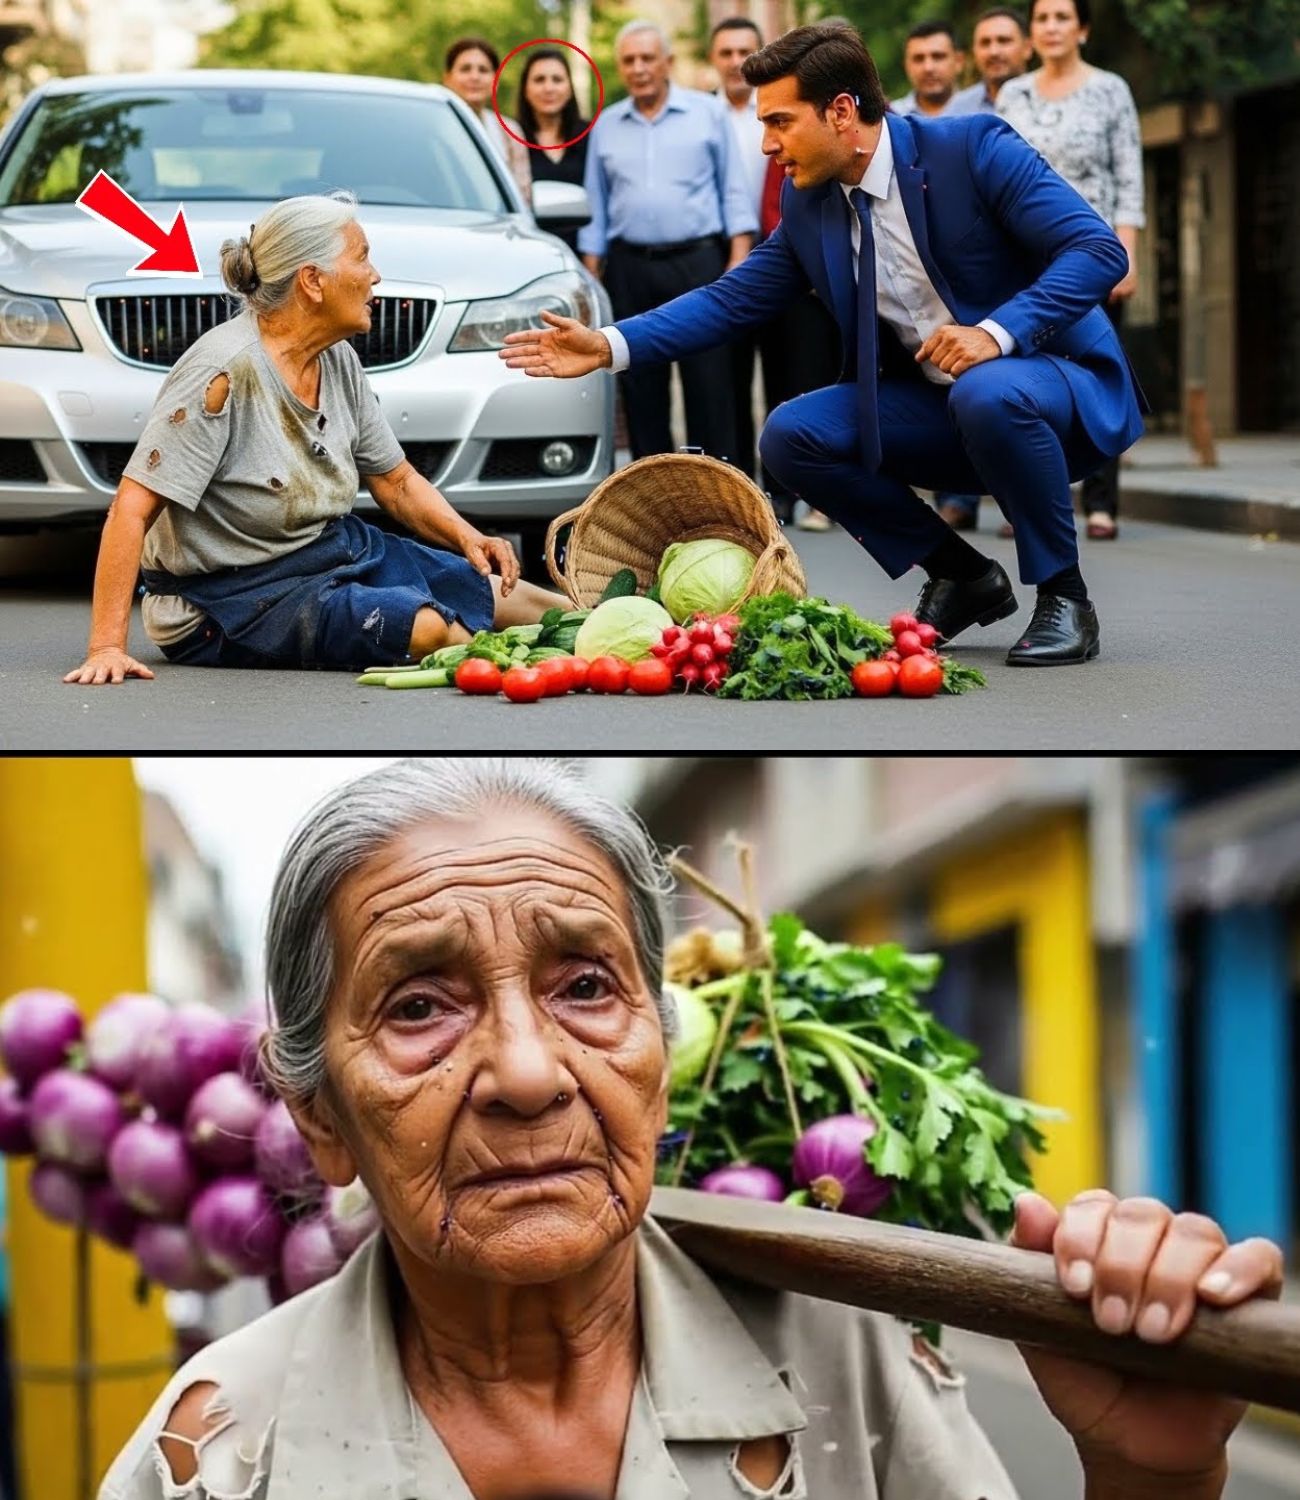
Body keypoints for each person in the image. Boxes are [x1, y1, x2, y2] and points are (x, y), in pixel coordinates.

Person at [97, 757, 1285, 1500]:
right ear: (322, 1121)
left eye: (584, 989)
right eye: (419, 1006)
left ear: (659, 1064)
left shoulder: (844, 1357)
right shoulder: (216, 1459)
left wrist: (1149, 1475)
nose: (525, 1073)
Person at [502, 23, 1151, 667]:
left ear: (842, 112)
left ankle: (1065, 596)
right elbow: (732, 299)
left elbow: (1097, 250)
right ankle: (962, 576)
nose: (767, 145)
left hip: (1054, 385)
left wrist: (995, 332)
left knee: (987, 388)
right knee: (791, 435)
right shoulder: (810, 203)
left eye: (780, 122)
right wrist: (608, 344)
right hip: (944, 408)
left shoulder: (972, 148)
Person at [64, 193, 566, 685]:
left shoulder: (337, 358)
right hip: (225, 596)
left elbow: (396, 482)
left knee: (519, 600)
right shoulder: (222, 372)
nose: (375, 276)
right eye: (363, 257)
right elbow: (130, 510)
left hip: (331, 551)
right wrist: (106, 646)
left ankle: (623, 632)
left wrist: (468, 538)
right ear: (313, 281)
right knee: (433, 629)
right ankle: (548, 671)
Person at [578, 20, 758, 464]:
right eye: (629, 61)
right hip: (630, 267)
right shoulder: (606, 125)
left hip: (699, 264)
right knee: (641, 389)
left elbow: (733, 191)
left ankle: (722, 499)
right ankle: (652, 501)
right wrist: (590, 278)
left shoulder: (707, 114)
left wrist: (737, 261)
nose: (638, 69)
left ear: (668, 63)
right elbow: (596, 210)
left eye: (647, 58)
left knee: (710, 388)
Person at [998, 0, 1145, 540]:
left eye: (1063, 17)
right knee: (1031, 378)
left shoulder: (1110, 90)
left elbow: (1128, 174)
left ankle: (1102, 502)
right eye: (1042, 19)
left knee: (1100, 376)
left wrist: (1126, 250)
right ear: (1031, 32)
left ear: (1082, 28)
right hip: (1027, 262)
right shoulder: (1013, 95)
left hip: (1093, 254)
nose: (1052, 27)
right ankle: (1038, 500)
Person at [933, 7, 1036, 533]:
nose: (995, 50)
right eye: (985, 42)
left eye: (1005, 40)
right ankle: (960, 497)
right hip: (978, 256)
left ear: (1026, 46)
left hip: (1040, 249)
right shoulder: (961, 112)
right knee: (965, 371)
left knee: (1030, 377)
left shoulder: (1045, 98)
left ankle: (1028, 500)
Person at [444, 36, 533, 207]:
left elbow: (523, 197)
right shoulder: (431, 129)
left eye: (483, 70)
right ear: (448, 78)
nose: (475, 77)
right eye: (465, 69)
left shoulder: (509, 131)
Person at [517, 48, 591, 253]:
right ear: (525, 88)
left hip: (584, 254)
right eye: (539, 80)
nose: (548, 88)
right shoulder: (511, 138)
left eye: (557, 79)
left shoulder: (592, 136)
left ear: (569, 88)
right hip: (530, 251)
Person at [891, 20, 980, 119]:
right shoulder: (891, 117)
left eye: (938, 57)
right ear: (906, 66)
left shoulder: (981, 112)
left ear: (959, 61)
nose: (928, 68)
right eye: (918, 59)